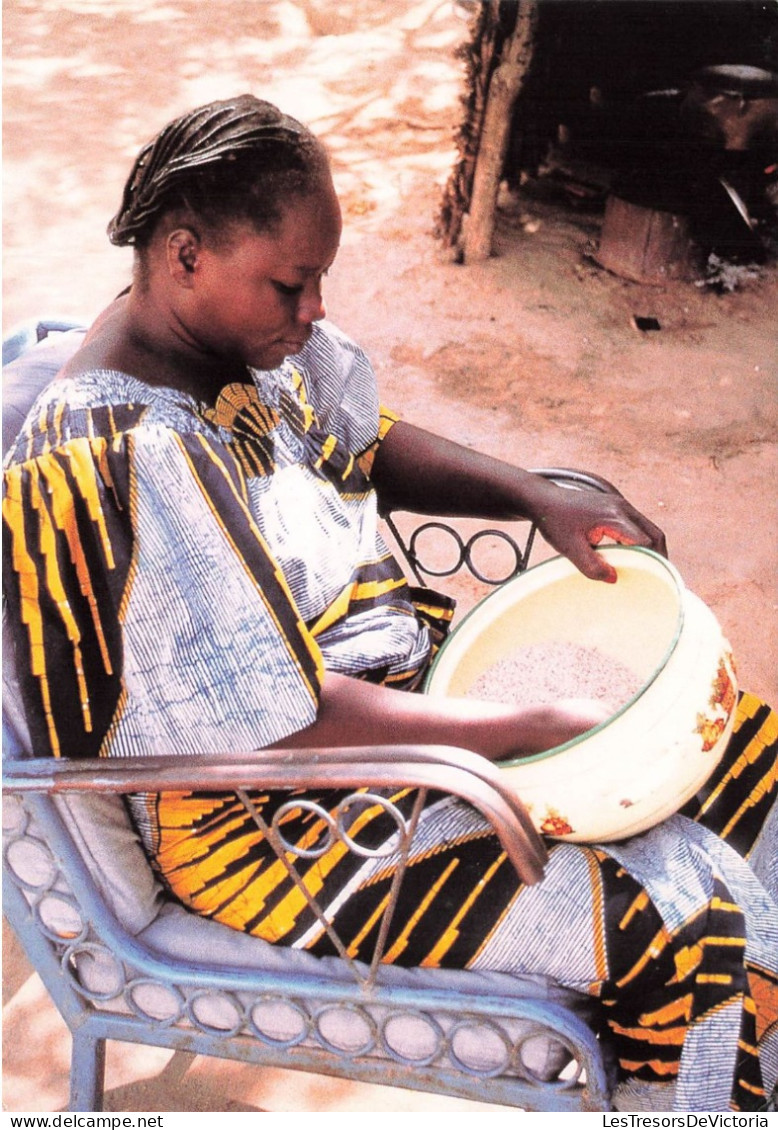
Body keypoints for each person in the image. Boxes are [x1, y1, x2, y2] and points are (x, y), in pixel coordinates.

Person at [3, 95, 775, 1113]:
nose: (314, 309)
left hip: (389, 711)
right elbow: (275, 722)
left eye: (318, 277)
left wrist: (530, 493)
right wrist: (521, 728)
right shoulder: (122, 455)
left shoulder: (233, 345)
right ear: (185, 254)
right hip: (281, 825)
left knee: (749, 760)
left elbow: (358, 439)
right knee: (687, 924)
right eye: (292, 282)